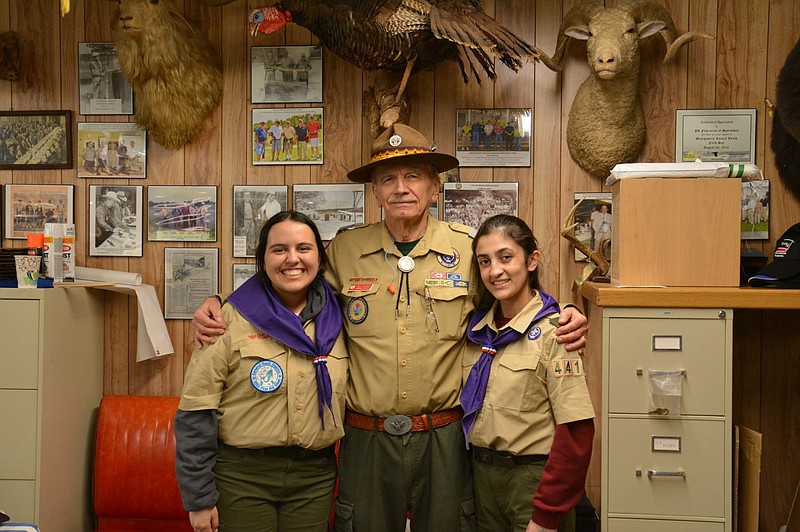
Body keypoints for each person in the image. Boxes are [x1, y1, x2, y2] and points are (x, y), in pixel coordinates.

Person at [191, 124, 588, 532]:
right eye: (388, 179)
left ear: (435, 187)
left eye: (413, 176)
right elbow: (287, 285)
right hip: (367, 438)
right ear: (375, 192)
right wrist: (220, 303)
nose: (401, 188)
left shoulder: (468, 249)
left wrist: (564, 310)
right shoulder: (344, 250)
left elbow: (512, 296)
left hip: (444, 436)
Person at [175, 210, 349, 532]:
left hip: (314, 476)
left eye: (304, 248)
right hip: (242, 476)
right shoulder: (226, 318)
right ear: (263, 258)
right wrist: (198, 498)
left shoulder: (341, 318)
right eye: (279, 249)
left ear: (319, 257)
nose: (292, 259)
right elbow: (196, 412)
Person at [462, 214, 595, 532]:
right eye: (484, 261)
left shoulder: (556, 332)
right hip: (481, 478)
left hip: (532, 481)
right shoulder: (476, 332)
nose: (495, 271)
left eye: (505, 257)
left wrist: (547, 515)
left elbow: (576, 433)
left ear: (532, 260)